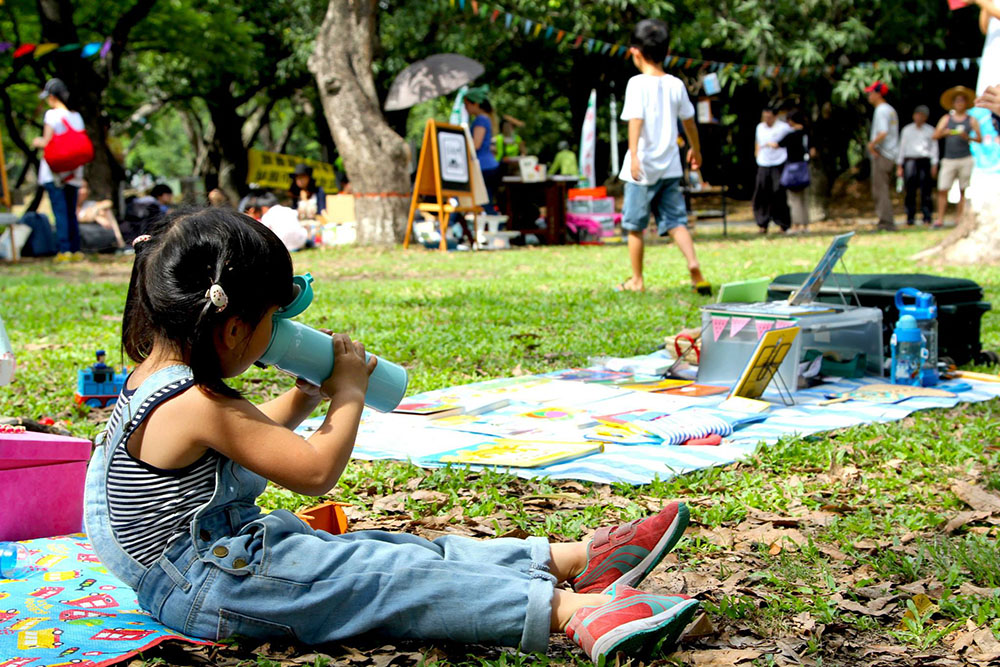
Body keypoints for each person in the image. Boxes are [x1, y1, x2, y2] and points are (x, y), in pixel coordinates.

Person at [83, 208, 701, 663]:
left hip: (221, 561)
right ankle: (574, 613)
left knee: (389, 550)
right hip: (209, 586)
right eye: (271, 321)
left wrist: (304, 393)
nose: (274, 336)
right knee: (385, 581)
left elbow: (250, 436)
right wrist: (349, 390)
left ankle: (571, 561)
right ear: (234, 327)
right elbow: (314, 470)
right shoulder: (197, 401)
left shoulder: (160, 378)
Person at [616, 19, 710, 295]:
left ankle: (637, 280)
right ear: (666, 52)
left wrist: (633, 155)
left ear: (635, 52)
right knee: (676, 222)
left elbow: (635, 120)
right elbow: (689, 121)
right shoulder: (675, 84)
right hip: (670, 166)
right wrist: (696, 148)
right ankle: (694, 266)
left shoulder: (636, 83)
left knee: (634, 227)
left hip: (642, 168)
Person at [32, 78, 85, 262]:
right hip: (74, 172)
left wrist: (37, 142)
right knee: (71, 212)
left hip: (54, 173)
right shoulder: (76, 116)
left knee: (60, 212)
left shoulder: (52, 115)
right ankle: (76, 249)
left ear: (53, 97)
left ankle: (64, 250)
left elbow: (47, 142)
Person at [933, 86, 981, 227]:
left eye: (962, 101)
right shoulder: (947, 119)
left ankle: (959, 218)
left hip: (965, 157)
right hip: (949, 158)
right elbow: (935, 135)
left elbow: (980, 138)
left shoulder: (971, 120)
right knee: (943, 188)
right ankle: (940, 218)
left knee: (963, 189)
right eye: (957, 101)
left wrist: (967, 137)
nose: (960, 103)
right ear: (953, 103)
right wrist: (945, 132)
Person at [865, 81, 900, 231]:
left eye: (871, 92)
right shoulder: (890, 109)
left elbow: (883, 132)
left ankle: (886, 222)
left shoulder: (881, 110)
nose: (869, 95)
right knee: (882, 188)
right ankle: (886, 221)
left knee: (880, 189)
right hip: (891, 153)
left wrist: (871, 145)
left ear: (878, 94)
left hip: (883, 154)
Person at [896, 105, 939, 226]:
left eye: (922, 115)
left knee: (926, 190)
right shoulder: (907, 130)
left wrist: (934, 164)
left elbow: (934, 148)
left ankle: (927, 216)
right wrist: (899, 165)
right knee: (910, 190)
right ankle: (910, 217)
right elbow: (902, 148)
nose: (919, 117)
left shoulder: (930, 130)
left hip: (925, 160)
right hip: (910, 160)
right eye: (917, 114)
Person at [753, 107, 792, 234]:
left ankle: (782, 224)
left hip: (779, 162)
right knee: (761, 193)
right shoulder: (760, 127)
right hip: (763, 162)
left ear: (775, 117)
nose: (766, 120)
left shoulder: (783, 127)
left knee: (778, 193)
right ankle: (762, 223)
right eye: (764, 117)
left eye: (769, 117)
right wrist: (757, 154)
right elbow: (757, 142)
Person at [463, 86, 501, 214]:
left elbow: (476, 144)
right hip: (490, 165)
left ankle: (450, 225)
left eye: (467, 104)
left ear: (476, 104)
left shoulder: (480, 119)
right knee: (486, 200)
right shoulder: (486, 118)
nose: (465, 108)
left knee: (481, 200)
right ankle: (496, 224)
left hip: (483, 166)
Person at [777, 109, 812, 234]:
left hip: (793, 168)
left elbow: (778, 144)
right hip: (805, 167)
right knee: (804, 198)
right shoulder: (807, 133)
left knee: (794, 199)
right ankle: (805, 225)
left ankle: (796, 225)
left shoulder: (791, 135)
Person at [240, 191, 309, 252]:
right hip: (301, 243)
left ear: (264, 208)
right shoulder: (288, 209)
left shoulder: (266, 217)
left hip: (285, 247)